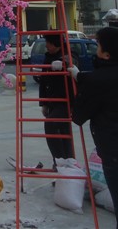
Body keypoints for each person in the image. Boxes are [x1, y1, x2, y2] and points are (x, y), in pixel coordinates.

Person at [68, 27, 118, 229]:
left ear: (106, 54)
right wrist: (82, 77)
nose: (96, 47)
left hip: (116, 152)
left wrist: (79, 84)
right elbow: (109, 77)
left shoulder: (98, 81)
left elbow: (78, 116)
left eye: (98, 45)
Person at [37, 33, 74, 164]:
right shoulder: (48, 57)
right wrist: (43, 103)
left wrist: (63, 63)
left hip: (65, 101)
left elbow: (70, 61)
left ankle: (61, 162)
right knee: (63, 131)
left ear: (55, 44)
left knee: (52, 126)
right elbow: (43, 81)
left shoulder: (67, 53)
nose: (46, 45)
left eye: (48, 42)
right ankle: (65, 162)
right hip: (51, 100)